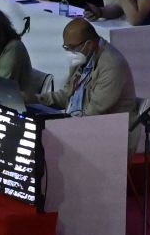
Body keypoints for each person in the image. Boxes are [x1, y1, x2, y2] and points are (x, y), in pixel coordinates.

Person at [58, 18, 143, 150]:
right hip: (81, 124)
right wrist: (37, 100)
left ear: (89, 44)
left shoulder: (112, 65)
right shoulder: (82, 58)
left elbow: (93, 112)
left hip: (107, 134)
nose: (69, 52)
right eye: (66, 47)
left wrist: (63, 128)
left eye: (72, 48)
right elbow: (67, 94)